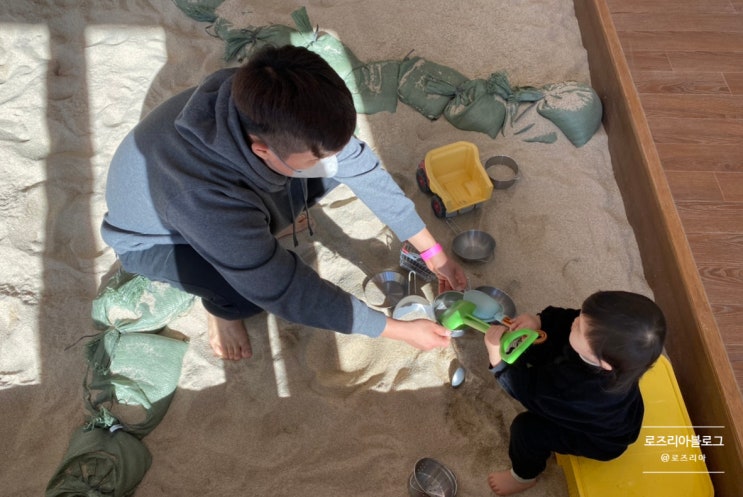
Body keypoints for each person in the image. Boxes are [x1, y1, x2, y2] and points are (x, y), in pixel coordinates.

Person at [100, 44, 468, 360]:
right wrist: (398, 331)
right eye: (316, 157)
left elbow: (364, 171)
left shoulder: (267, 97)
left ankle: (263, 223)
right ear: (261, 149)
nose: (330, 162)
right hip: (157, 239)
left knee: (330, 171)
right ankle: (220, 311)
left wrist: (433, 253)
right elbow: (287, 291)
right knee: (244, 297)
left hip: (233, 189)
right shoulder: (203, 200)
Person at [482, 290, 666, 495]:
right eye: (582, 315)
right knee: (544, 342)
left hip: (595, 439)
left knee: (526, 430)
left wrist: (497, 360)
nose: (576, 321)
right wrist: (539, 320)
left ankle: (523, 477)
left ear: (604, 363)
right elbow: (567, 318)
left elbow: (527, 392)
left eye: (580, 327)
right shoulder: (610, 352)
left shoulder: (578, 390)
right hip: (611, 415)